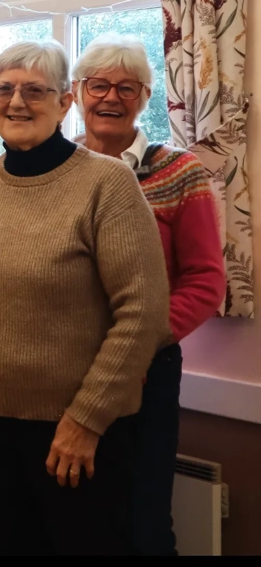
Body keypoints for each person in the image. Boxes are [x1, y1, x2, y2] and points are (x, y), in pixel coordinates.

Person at [0, 39, 172, 555]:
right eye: (5, 90)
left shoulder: (107, 183)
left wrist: (86, 420)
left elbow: (143, 313)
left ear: (65, 102)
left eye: (35, 91)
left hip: (82, 435)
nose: (17, 102)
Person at [72, 33, 224, 556]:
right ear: (76, 92)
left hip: (146, 370)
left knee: (143, 522)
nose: (111, 97)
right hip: (64, 368)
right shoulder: (56, 168)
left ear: (145, 97)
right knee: (77, 518)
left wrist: (136, 346)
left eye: (127, 87)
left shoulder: (179, 171)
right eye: (98, 85)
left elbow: (206, 282)